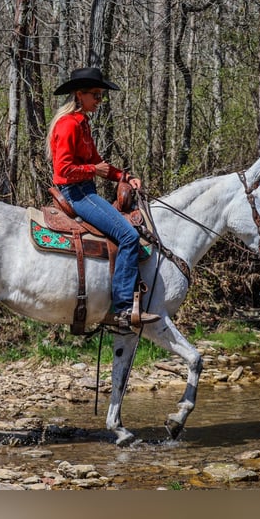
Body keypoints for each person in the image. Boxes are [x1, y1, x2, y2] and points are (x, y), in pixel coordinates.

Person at [46, 67, 160, 329]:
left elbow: (98, 163)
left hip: (87, 190)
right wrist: (91, 171)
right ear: (79, 94)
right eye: (95, 95)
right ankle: (122, 308)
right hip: (77, 194)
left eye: (101, 95)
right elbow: (62, 170)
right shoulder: (68, 125)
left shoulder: (82, 123)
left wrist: (125, 177)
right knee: (129, 237)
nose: (99, 100)